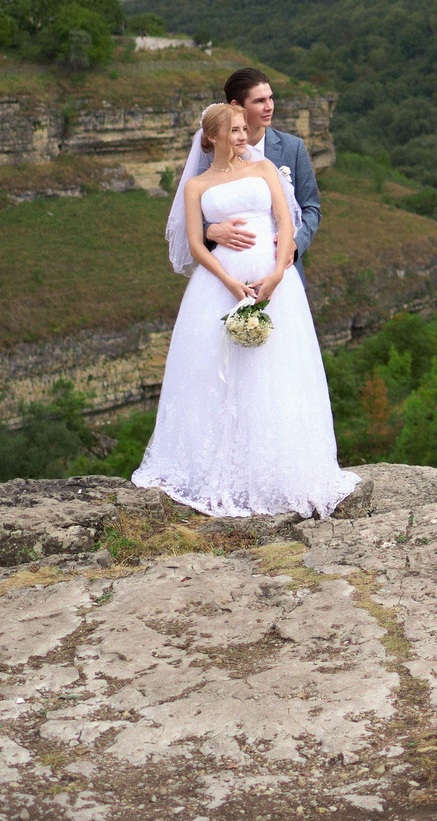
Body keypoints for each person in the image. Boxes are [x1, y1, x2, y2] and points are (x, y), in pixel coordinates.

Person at [134, 102, 358, 518]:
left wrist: (276, 273)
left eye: (243, 129)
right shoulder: (196, 186)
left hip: (274, 281)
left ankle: (278, 469)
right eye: (234, 130)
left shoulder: (264, 168)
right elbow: (196, 243)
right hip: (220, 286)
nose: (242, 136)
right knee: (219, 374)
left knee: (276, 371)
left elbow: (285, 221)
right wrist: (229, 282)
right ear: (212, 137)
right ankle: (223, 469)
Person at [199, 67, 318, 268]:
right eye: (259, 101)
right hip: (226, 267)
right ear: (236, 105)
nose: (269, 107)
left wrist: (295, 244)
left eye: (270, 98)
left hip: (282, 265)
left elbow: (311, 207)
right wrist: (209, 230)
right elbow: (192, 212)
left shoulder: (292, 147)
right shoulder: (212, 152)